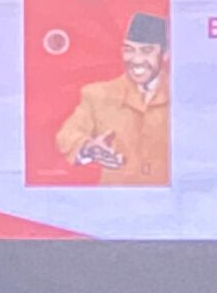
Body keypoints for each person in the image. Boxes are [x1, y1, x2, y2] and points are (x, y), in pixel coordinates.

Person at [54, 11, 171, 185]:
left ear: (165, 54)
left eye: (146, 51)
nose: (136, 60)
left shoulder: (183, 96)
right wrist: (89, 148)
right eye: (129, 50)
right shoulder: (98, 95)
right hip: (115, 199)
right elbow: (67, 135)